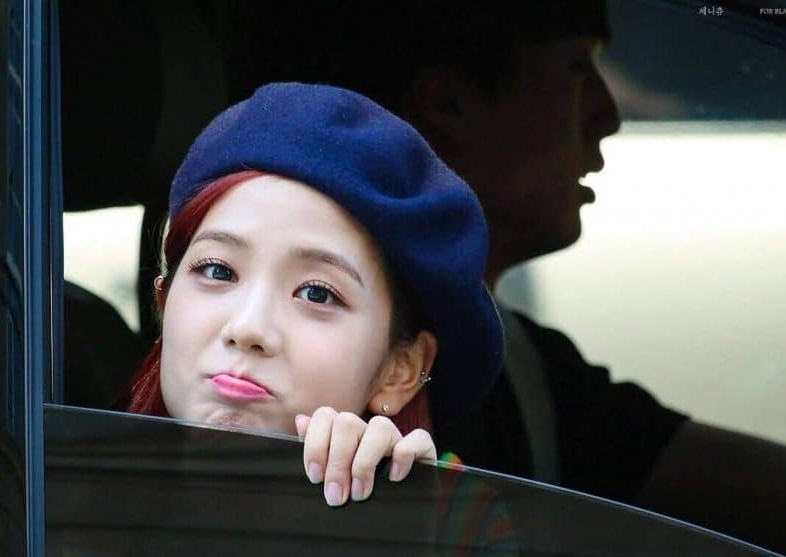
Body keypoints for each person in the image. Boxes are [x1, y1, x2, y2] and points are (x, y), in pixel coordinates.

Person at [238, 1, 786, 557]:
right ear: (449, 103)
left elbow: (709, 474)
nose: (607, 115)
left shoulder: (520, 367)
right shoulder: (311, 400)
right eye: (576, 70)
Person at [118, 82, 505, 510]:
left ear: (402, 369)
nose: (248, 328)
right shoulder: (69, 493)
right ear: (163, 301)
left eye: (317, 294)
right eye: (217, 271)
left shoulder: (447, 517)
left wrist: (399, 531)